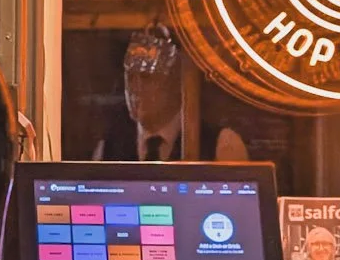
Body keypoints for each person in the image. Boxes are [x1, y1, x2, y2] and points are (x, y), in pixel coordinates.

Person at [93, 23, 247, 163]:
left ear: (176, 83)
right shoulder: (107, 149)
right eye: (130, 77)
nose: (136, 88)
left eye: (147, 77)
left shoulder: (222, 145)